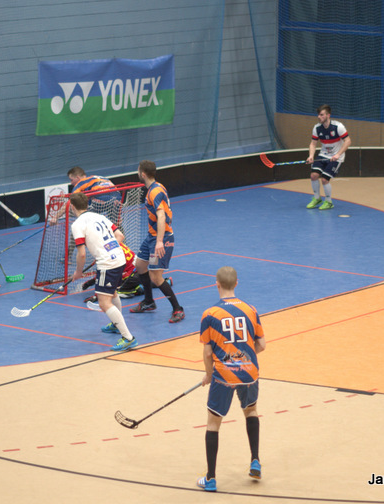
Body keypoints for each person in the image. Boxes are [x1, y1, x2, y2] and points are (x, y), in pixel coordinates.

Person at [197, 266, 266, 492]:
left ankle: (211, 478)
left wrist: (209, 374)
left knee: (213, 423)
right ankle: (255, 460)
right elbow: (261, 345)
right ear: (236, 283)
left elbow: (208, 352)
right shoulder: (251, 310)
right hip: (249, 374)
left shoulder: (210, 314)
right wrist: (243, 358)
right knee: (251, 411)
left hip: (223, 376)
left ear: (216, 284)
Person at [68, 192, 137, 352]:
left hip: (108, 263)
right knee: (112, 293)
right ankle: (116, 325)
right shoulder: (99, 216)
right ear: (87, 204)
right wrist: (108, 249)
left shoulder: (77, 224)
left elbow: (82, 254)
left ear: (72, 207)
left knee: (104, 303)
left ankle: (128, 338)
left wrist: (78, 272)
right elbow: (119, 235)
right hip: (119, 258)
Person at [129, 160, 185, 323]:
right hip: (151, 237)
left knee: (156, 276)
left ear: (143, 174)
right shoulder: (156, 188)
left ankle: (177, 309)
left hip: (161, 238)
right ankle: (148, 301)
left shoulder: (154, 191)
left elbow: (161, 216)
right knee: (140, 265)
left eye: (138, 170)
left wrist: (159, 241)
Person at [305, 105, 351, 210]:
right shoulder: (317, 128)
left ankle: (329, 202)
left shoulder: (338, 127)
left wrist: (338, 154)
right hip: (323, 155)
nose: (319, 117)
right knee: (313, 176)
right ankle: (317, 198)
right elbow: (313, 144)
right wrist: (311, 156)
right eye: (318, 115)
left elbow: (348, 141)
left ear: (328, 115)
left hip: (336, 157)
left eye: (322, 115)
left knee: (325, 179)